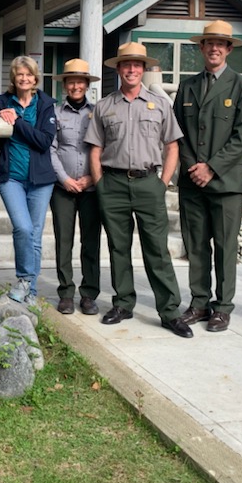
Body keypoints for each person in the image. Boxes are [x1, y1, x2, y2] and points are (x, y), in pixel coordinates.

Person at [85, 42, 192, 338]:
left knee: (156, 249)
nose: (132, 69)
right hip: (114, 184)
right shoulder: (105, 106)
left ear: (143, 69)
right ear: (118, 68)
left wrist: (163, 183)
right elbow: (95, 149)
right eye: (126, 64)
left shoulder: (159, 104)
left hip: (149, 183)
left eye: (137, 64)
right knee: (118, 247)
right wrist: (101, 184)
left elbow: (172, 147)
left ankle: (169, 311)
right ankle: (123, 303)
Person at [173, 20, 242, 333]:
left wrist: (211, 167)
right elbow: (176, 131)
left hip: (225, 183)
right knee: (195, 245)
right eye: (209, 43)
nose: (214, 48)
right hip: (192, 182)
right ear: (201, 47)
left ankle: (222, 307)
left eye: (221, 44)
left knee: (224, 246)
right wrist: (192, 167)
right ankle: (199, 302)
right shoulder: (188, 86)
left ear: (229, 49)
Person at [0, 55, 57, 307]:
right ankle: (25, 279)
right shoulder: (2, 103)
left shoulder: (46, 104)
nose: (24, 78)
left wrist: (17, 122)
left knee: (35, 235)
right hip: (11, 177)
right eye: (19, 74)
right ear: (13, 79)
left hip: (41, 180)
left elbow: (43, 141)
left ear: (35, 78)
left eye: (29, 74)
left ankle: (31, 290)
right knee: (23, 228)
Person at [49, 59, 102, 315]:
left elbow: (106, 147)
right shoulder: (56, 113)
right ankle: (66, 292)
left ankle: (89, 294)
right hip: (64, 187)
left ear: (87, 84)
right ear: (65, 85)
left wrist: (92, 177)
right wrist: (64, 179)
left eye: (80, 81)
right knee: (64, 240)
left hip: (92, 188)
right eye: (71, 81)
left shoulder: (99, 112)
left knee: (90, 241)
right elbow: (51, 149)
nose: (76, 85)